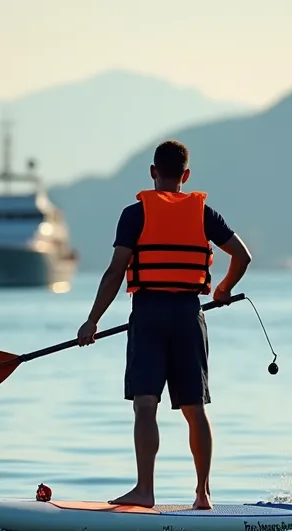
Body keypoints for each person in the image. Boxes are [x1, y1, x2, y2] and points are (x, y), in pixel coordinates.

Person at [76, 140, 253, 510]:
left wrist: (92, 321)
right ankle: (203, 494)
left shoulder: (134, 213)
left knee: (145, 405)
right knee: (194, 408)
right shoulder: (205, 213)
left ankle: (145, 490)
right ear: (185, 176)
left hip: (149, 315)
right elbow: (242, 255)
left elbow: (114, 273)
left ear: (154, 172)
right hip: (189, 315)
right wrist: (223, 289)